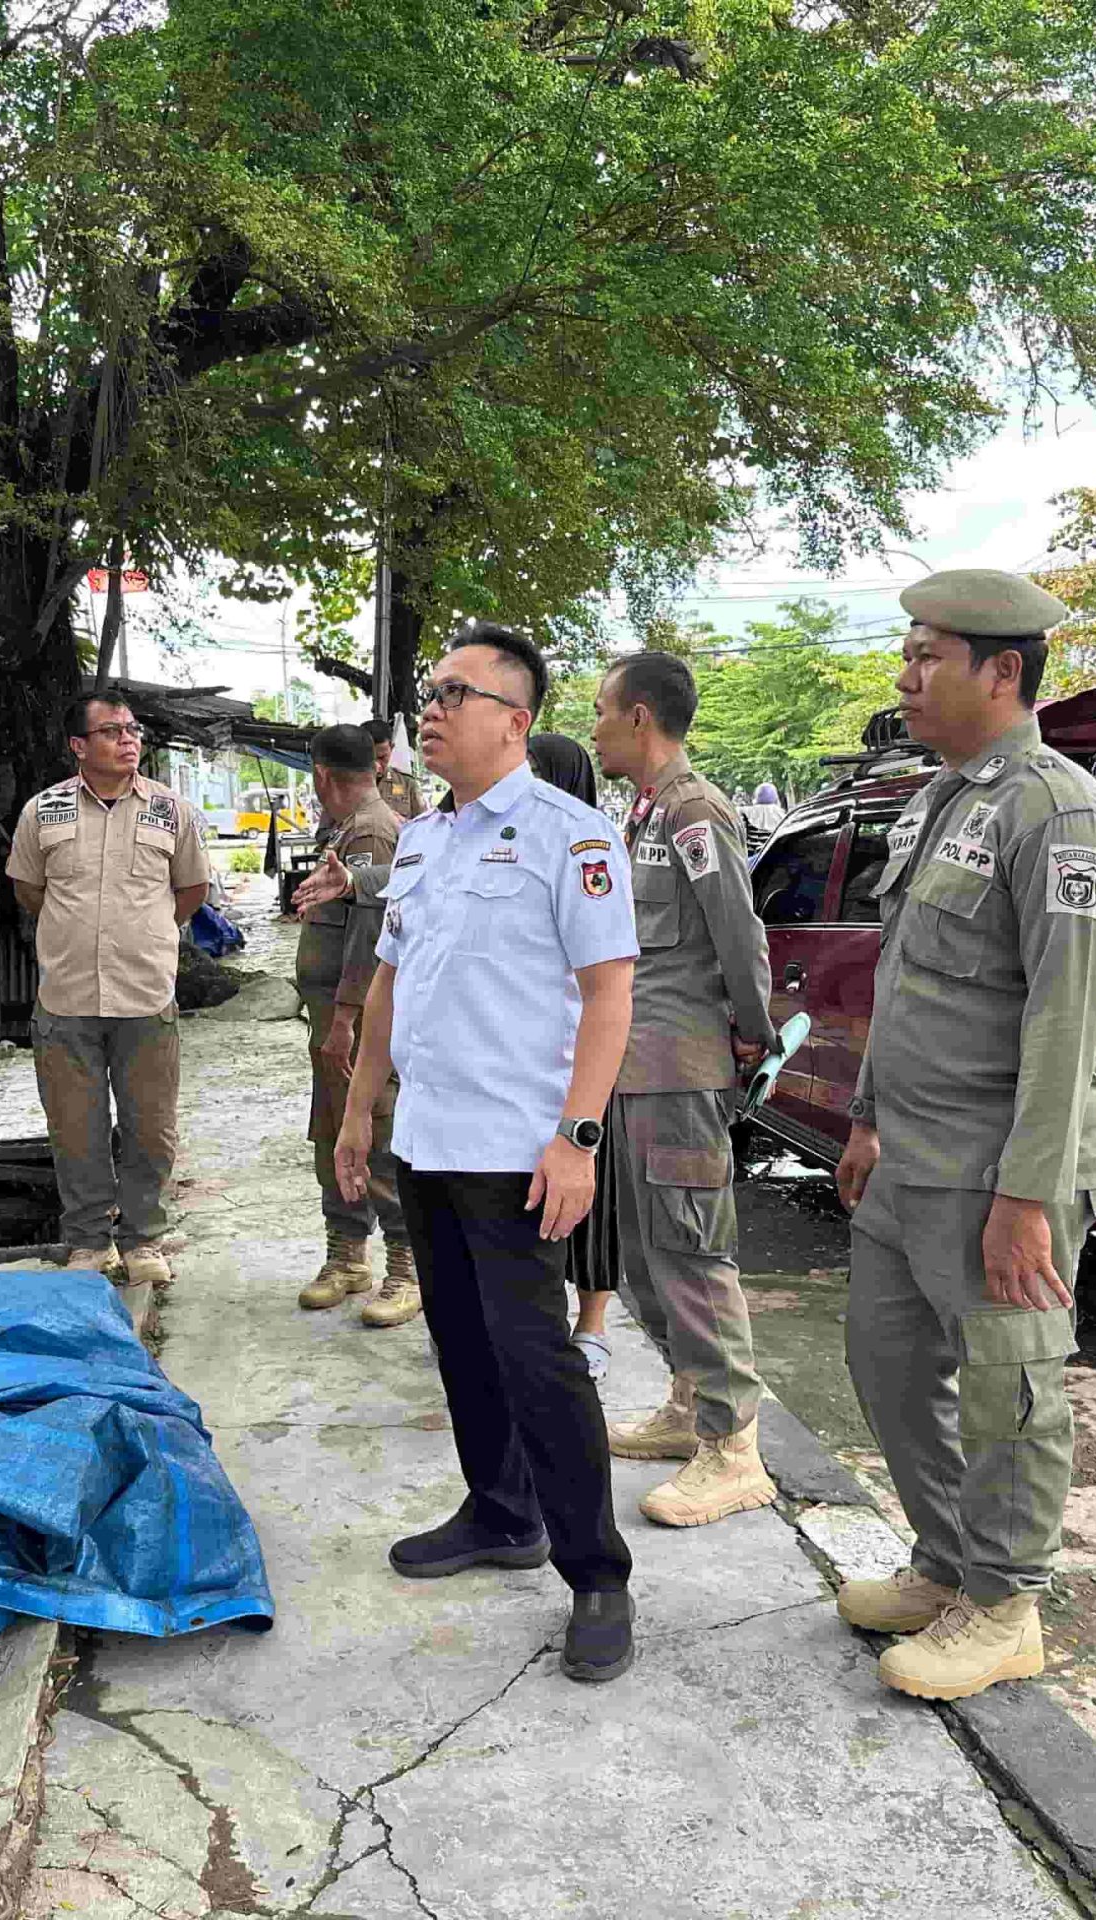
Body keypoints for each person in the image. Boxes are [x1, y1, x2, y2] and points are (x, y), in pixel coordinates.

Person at [834, 569, 1096, 1702]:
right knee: (888, 1364)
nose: (905, 678)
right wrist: (864, 1118)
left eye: (927, 657)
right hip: (907, 1157)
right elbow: (902, 981)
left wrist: (1025, 1197)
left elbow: (1065, 1022)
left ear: (1002, 671)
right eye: (907, 655)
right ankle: (946, 1565)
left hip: (999, 1171)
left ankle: (1005, 1606)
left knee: (1011, 1391)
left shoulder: (1058, 813)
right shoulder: (943, 801)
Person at [335, 625, 641, 1683]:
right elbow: (389, 983)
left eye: (454, 693)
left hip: (519, 1149)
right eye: (430, 691)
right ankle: (501, 1512)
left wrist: (578, 1138)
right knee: (460, 1341)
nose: (431, 708)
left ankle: (597, 1574)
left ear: (515, 720)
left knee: (537, 1359)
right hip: (427, 1140)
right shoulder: (423, 837)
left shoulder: (572, 836)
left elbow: (609, 997)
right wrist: (359, 1112)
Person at [589, 653, 778, 1526]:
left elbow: (739, 933)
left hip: (680, 1069)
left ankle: (734, 1449)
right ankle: (688, 1404)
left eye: (602, 710)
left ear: (639, 717)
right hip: (636, 1068)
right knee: (647, 1255)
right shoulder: (646, 811)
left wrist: (754, 1031)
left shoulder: (696, 810)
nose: (593, 728)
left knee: (694, 1257)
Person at [7, 686, 212, 1287]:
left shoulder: (170, 810)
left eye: (133, 731)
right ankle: (88, 1241)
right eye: (113, 731)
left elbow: (191, 891)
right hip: (66, 998)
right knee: (76, 1129)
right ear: (79, 746)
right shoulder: (43, 811)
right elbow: (29, 888)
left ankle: (144, 1238)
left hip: (145, 996)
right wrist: (79, 933)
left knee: (151, 1128)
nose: (129, 740)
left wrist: (145, 934)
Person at [293, 724, 420, 1327]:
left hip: (361, 1018)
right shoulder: (345, 828)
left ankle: (407, 1266)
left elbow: (374, 934)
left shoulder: (370, 831)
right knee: (333, 1130)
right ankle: (346, 1254)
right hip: (333, 1015)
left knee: (377, 1132)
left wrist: (346, 1017)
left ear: (321, 774)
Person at [524, 732, 621, 1382]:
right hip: (523, 1056)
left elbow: (610, 982)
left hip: (583, 1053)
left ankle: (593, 1323)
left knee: (591, 1191)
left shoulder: (592, 847)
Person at [373, 734, 429, 822]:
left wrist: (403, 822)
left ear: (391, 748)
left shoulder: (407, 783)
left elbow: (424, 824)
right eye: (371, 759)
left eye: (382, 757)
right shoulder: (352, 785)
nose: (377, 765)